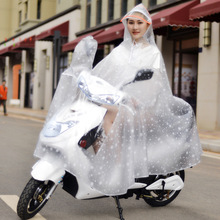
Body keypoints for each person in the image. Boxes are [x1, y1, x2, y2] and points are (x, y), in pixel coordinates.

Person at [34, 4, 202, 196]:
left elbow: (155, 84)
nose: (135, 27)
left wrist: (138, 98)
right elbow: (102, 72)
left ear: (148, 25)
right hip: (120, 102)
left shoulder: (152, 53)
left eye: (140, 22)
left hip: (143, 107)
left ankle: (116, 168)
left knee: (108, 115)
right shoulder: (120, 50)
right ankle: (100, 167)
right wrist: (84, 77)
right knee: (94, 118)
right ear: (126, 24)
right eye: (131, 22)